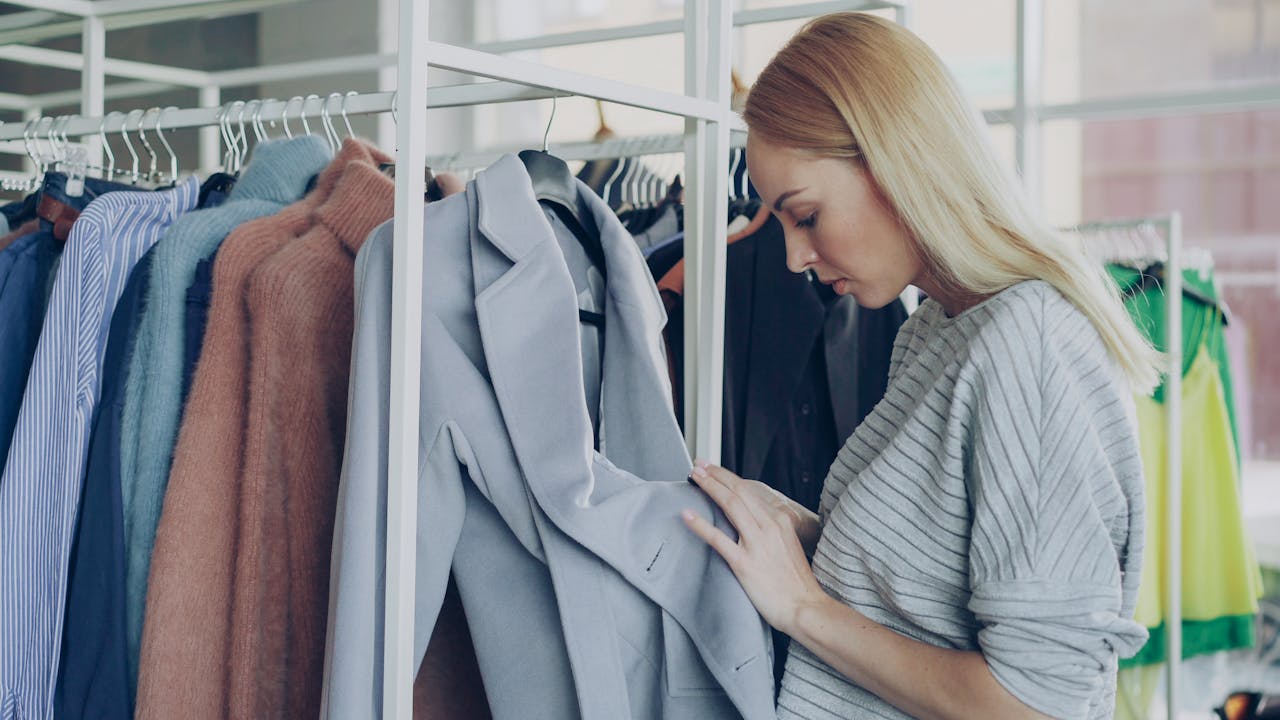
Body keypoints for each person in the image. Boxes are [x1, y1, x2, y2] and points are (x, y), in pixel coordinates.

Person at [681, 12, 1159, 720]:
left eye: (805, 215)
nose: (792, 258)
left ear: (897, 161)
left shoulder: (1023, 344)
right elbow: (930, 595)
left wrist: (803, 608)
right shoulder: (937, 330)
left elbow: (1036, 704)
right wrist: (801, 532)